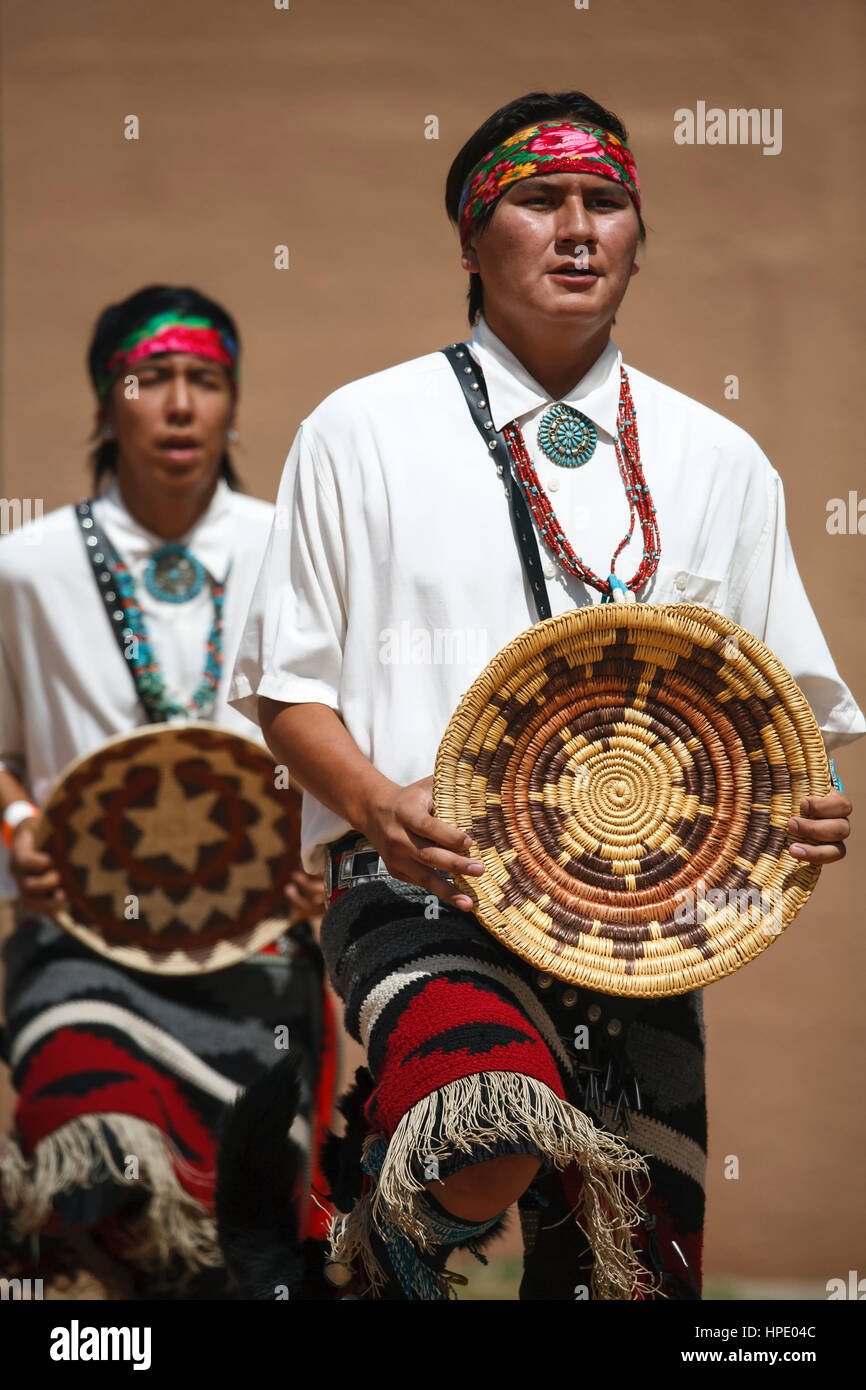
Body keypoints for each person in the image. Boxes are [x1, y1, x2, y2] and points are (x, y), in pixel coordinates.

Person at [226, 92, 863, 1300]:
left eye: (605, 202)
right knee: (486, 1113)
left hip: (641, 916)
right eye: (537, 200)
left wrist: (811, 803)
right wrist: (369, 803)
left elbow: (781, 708)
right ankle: (389, 1217)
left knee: (632, 1270)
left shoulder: (715, 457)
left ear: (634, 234)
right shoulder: (362, 430)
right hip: (422, 879)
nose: (576, 229)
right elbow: (286, 685)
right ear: (470, 240)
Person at [0, 285, 334, 1297]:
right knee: (89, 1147)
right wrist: (20, 825)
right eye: (151, 381)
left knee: (245, 1237)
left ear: (232, 404)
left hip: (260, 947)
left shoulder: (294, 551)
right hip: (80, 943)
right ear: (107, 405)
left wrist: (326, 848)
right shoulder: (25, 566)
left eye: (207, 380)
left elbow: (347, 738)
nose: (181, 405)